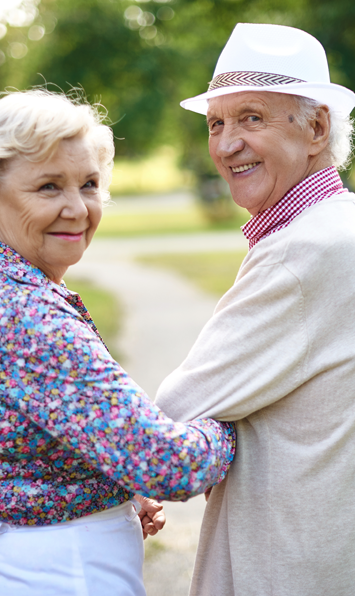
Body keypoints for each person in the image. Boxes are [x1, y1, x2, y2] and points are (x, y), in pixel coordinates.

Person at [0, 90, 236, 596]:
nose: (77, 209)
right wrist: (236, 426)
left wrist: (110, 485)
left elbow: (14, 440)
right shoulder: (21, 314)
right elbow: (166, 462)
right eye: (47, 186)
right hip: (54, 572)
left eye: (88, 184)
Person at [155, 23, 355, 596]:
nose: (225, 144)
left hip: (288, 571)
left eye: (251, 118)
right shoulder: (340, 226)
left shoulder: (304, 253)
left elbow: (173, 414)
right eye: (216, 123)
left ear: (316, 128)